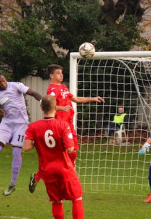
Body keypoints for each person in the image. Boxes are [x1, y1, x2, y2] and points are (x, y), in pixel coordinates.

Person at [29, 64, 104, 193]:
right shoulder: (52, 90)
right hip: (59, 127)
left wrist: (92, 98)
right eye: (58, 73)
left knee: (73, 153)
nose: (61, 75)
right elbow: (48, 105)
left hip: (69, 126)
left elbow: (74, 98)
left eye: (61, 73)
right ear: (52, 76)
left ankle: (70, 176)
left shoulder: (63, 87)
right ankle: (37, 178)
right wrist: (61, 108)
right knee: (55, 159)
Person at [23, 95, 87, 219]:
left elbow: (26, 147)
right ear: (55, 107)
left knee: (56, 201)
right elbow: (70, 148)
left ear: (41, 108)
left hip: (47, 171)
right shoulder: (63, 125)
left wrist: (36, 142)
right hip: (64, 169)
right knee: (76, 198)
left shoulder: (33, 127)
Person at [0, 73, 42, 196]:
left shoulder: (16, 86)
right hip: (6, 123)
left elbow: (31, 92)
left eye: (4, 80)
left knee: (16, 152)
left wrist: (41, 99)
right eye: (0, 82)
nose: (3, 83)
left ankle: (12, 184)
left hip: (21, 124)